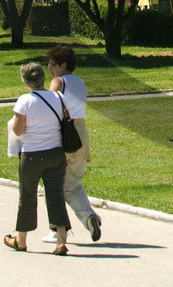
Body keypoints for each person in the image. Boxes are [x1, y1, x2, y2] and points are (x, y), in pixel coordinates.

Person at [5, 62, 70, 255]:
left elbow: (18, 130)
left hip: (32, 154)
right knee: (56, 195)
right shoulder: (58, 97)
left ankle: (21, 240)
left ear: (26, 82)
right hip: (56, 152)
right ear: (43, 78)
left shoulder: (25, 101)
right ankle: (61, 241)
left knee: (27, 196)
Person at [48, 45, 101, 242]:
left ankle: (57, 229)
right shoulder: (80, 82)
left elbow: (50, 106)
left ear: (63, 65)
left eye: (53, 64)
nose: (49, 68)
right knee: (73, 184)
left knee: (54, 184)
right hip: (80, 133)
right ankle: (88, 217)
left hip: (63, 134)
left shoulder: (58, 82)